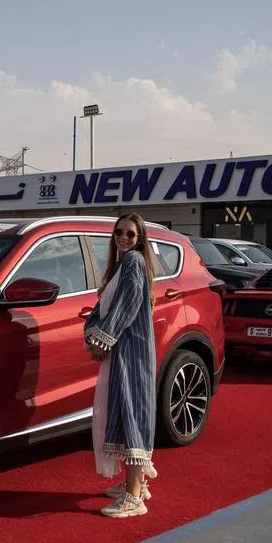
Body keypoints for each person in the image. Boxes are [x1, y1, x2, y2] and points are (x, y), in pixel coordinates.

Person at [84, 212, 158, 518]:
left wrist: (102, 340)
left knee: (130, 413)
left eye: (130, 234)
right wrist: (94, 333)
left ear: (140, 239)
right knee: (127, 410)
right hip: (123, 351)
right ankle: (135, 483)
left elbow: (126, 307)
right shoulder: (120, 265)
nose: (124, 238)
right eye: (119, 232)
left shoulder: (134, 263)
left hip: (130, 353)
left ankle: (133, 498)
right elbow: (107, 307)